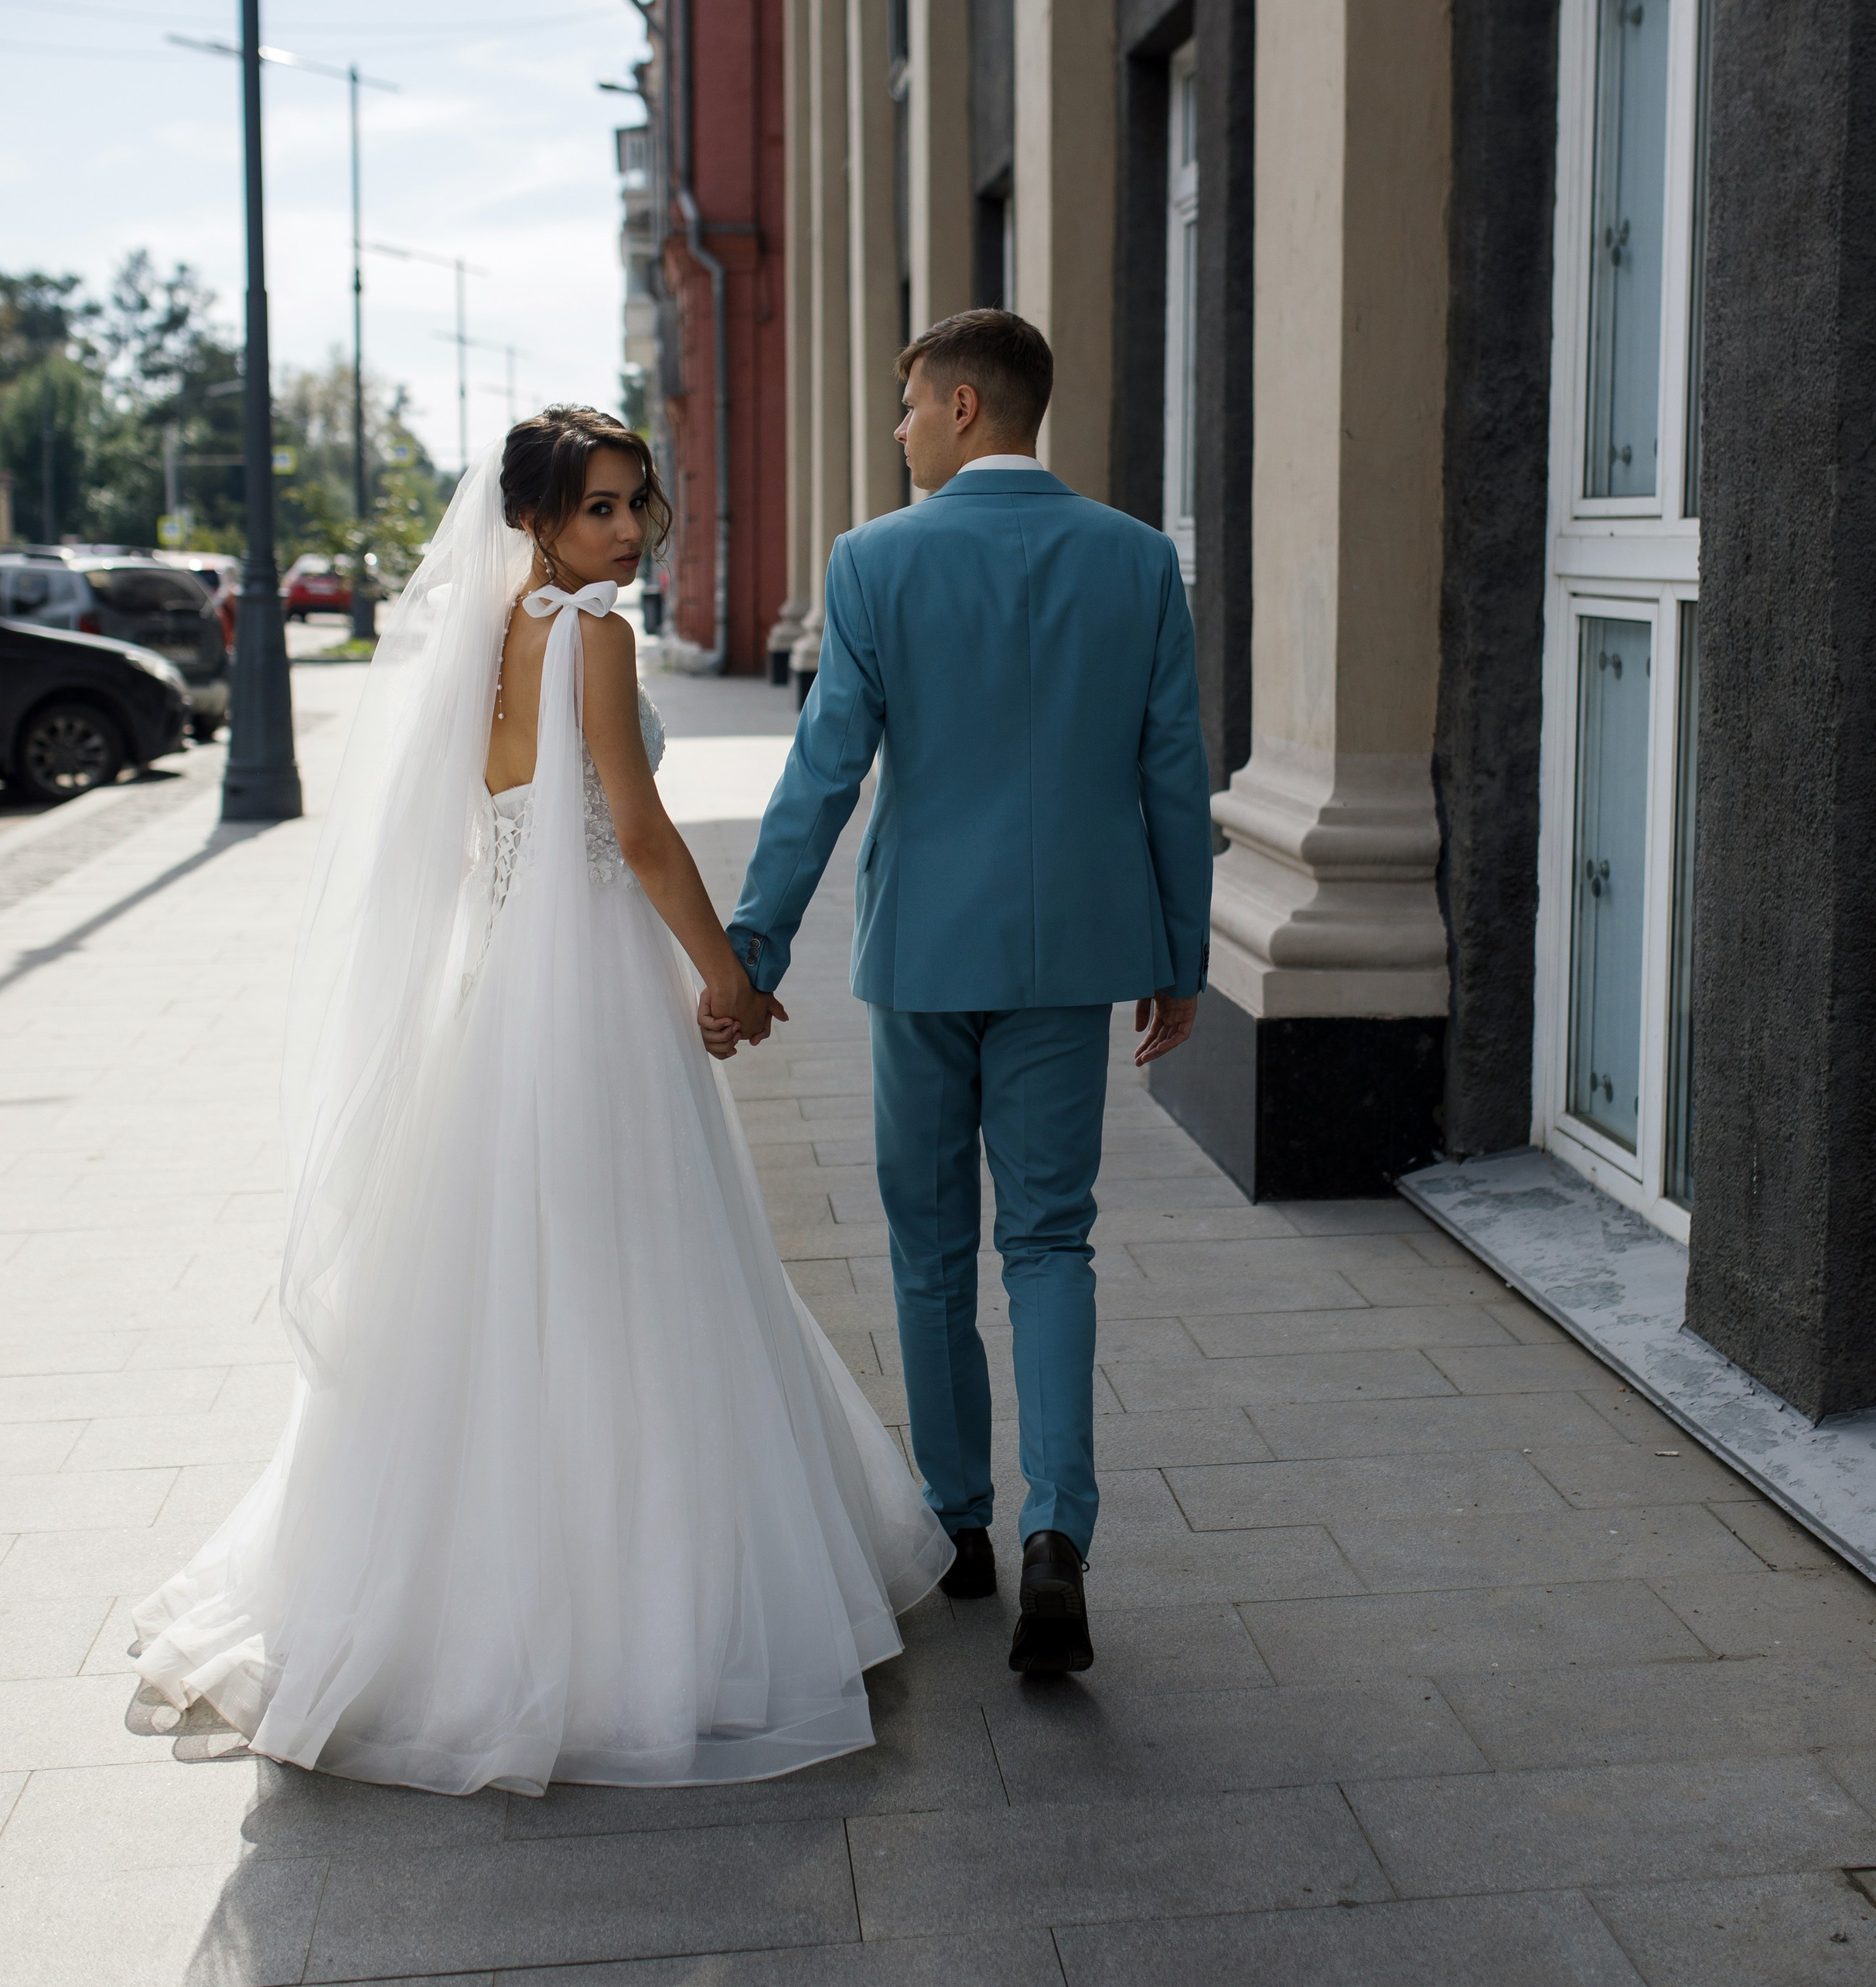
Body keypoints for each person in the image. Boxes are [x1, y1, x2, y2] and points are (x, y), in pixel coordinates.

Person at [132, 407, 950, 1794]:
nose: (629, 534)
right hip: (596, 999)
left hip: (502, 994)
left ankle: (461, 1606)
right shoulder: (598, 639)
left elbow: (480, 834)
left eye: (641, 506)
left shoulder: (485, 641)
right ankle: (641, 1626)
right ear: (534, 520)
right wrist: (731, 980)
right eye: (599, 512)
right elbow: (634, 832)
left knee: (500, 1287)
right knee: (636, 1279)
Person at [722, 312, 1214, 1675]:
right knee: (1052, 1241)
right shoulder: (1135, 561)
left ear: (953, 406)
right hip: (1073, 960)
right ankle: (1064, 1530)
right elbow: (1173, 770)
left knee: (932, 1251)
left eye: (900, 411)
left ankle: (964, 1527)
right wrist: (1183, 955)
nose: (895, 436)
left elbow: (825, 772)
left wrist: (750, 951)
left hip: (927, 955)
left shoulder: (876, 562)